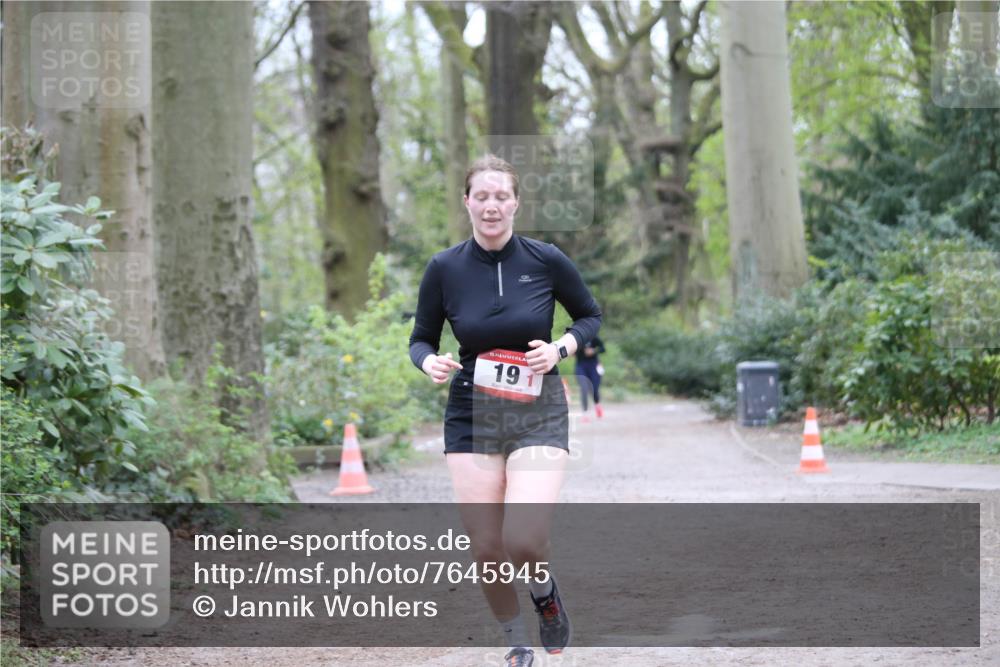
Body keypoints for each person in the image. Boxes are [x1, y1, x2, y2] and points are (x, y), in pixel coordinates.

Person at [408, 155, 602, 667]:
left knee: (524, 538)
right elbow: (420, 339)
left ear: (515, 202)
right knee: (488, 549)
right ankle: (515, 641)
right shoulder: (444, 268)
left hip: (537, 409)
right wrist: (429, 362)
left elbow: (589, 315)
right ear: (467, 202)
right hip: (471, 412)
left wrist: (559, 349)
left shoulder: (545, 259)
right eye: (482, 196)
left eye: (501, 196)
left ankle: (545, 595)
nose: (491, 205)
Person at [575, 336, 606, 421]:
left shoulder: (594, 338)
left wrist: (594, 351)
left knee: (594, 389)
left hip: (593, 365)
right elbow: (572, 350)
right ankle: (584, 414)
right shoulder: (578, 338)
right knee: (584, 389)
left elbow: (603, 349)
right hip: (581, 366)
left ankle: (597, 404)